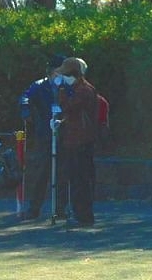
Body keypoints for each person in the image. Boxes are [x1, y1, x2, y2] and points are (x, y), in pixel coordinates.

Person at [18, 53, 66, 221]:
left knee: (62, 174)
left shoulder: (67, 86)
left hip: (63, 133)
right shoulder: (40, 86)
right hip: (44, 134)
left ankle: (61, 208)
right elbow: (25, 97)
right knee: (41, 173)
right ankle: (34, 209)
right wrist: (26, 110)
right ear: (53, 70)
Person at [55, 57, 100, 227]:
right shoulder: (79, 89)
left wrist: (61, 90)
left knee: (81, 179)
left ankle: (84, 215)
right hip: (75, 139)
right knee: (76, 178)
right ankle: (80, 213)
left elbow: (68, 107)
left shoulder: (83, 91)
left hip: (81, 140)